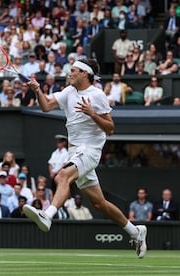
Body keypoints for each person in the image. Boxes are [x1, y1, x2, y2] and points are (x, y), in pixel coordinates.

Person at [24, 58, 147, 258]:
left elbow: (111, 129)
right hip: (75, 152)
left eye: (73, 70)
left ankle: (48, 215)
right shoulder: (68, 92)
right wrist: (37, 90)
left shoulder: (97, 95)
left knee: (62, 177)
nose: (69, 73)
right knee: (100, 204)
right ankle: (136, 232)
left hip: (90, 150)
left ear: (84, 73)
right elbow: (46, 106)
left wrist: (91, 113)